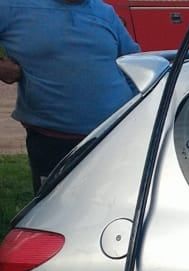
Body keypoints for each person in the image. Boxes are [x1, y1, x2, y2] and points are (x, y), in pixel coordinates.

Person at [0, 0, 140, 193]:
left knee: (116, 203)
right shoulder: (12, 7)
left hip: (116, 135)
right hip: (54, 141)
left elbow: (135, 63)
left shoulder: (104, 11)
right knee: (58, 212)